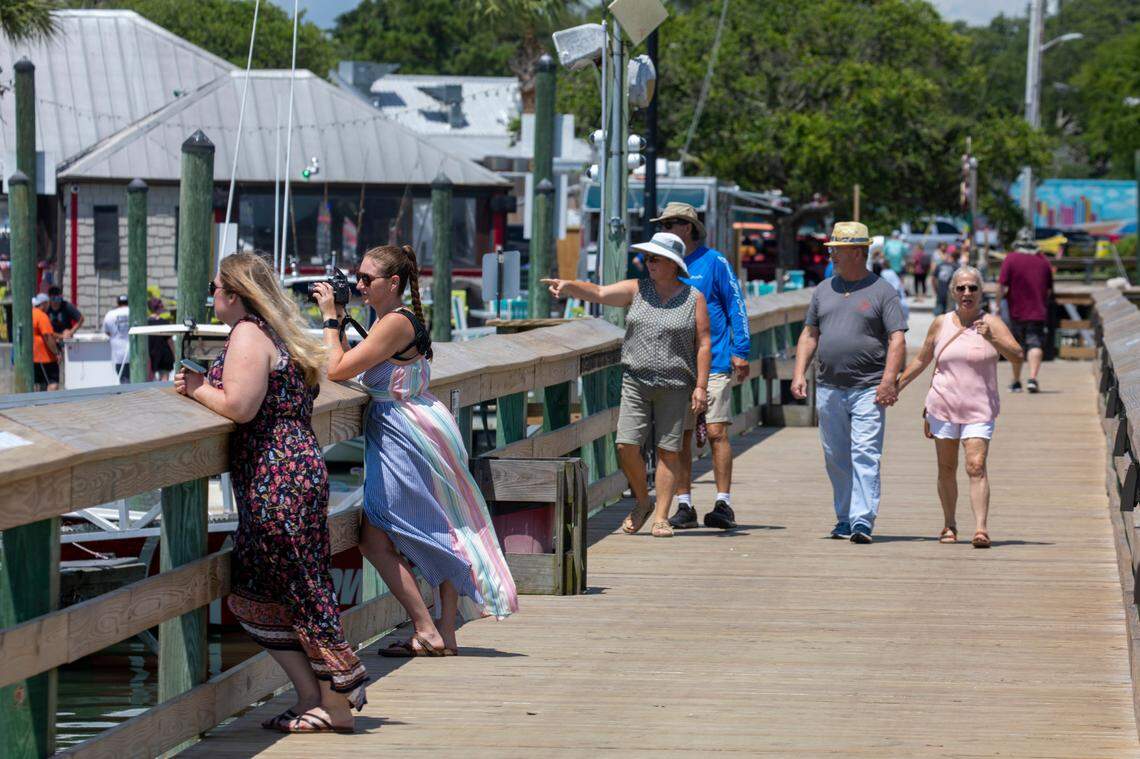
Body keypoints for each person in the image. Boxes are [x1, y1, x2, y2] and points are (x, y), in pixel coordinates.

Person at [175, 252, 368, 733]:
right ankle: (313, 695)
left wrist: (198, 387)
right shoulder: (275, 331)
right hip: (295, 470)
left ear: (234, 294)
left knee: (302, 588)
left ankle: (339, 699)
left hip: (275, 479)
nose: (212, 296)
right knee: (258, 592)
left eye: (215, 288)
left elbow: (239, 406)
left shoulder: (246, 335)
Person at [317, 244, 518, 658]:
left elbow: (337, 369)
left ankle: (427, 628)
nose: (358, 285)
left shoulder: (392, 324)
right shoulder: (391, 320)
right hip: (419, 427)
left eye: (366, 279)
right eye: (356, 278)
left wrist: (330, 319)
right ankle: (443, 629)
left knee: (376, 539)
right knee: (437, 525)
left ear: (393, 283)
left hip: (403, 433)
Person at [544, 232, 712, 539]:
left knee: (668, 451)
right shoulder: (637, 289)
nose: (648, 264)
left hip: (676, 384)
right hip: (636, 380)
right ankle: (642, 500)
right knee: (625, 445)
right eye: (647, 258)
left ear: (673, 264)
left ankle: (661, 516)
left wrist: (701, 386)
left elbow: (703, 343)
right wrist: (569, 286)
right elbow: (598, 292)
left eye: (655, 259)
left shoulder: (693, 299)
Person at [791, 222, 907, 544]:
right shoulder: (823, 289)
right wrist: (799, 373)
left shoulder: (882, 291)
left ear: (858, 252)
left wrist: (888, 381)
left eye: (836, 250)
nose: (831, 255)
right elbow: (809, 334)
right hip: (829, 387)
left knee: (865, 453)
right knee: (835, 455)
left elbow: (897, 339)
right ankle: (844, 517)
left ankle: (861, 520)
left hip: (869, 387)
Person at [896, 266, 1023, 548]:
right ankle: (949, 523)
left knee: (975, 465)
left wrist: (992, 337)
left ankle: (981, 529)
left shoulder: (993, 322)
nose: (967, 293)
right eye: (961, 288)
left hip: (980, 407)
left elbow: (1017, 355)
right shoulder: (941, 323)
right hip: (943, 404)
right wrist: (897, 385)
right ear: (953, 291)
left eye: (973, 288)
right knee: (946, 467)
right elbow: (922, 359)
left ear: (981, 292)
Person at [648, 203, 750, 531]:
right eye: (662, 223)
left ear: (689, 227)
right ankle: (685, 505)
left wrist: (741, 350)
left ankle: (723, 503)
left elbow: (736, 304)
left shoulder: (714, 262)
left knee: (717, 431)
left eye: (672, 223)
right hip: (676, 365)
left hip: (716, 359)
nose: (665, 228)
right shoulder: (661, 263)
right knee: (680, 437)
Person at [999, 228, 1053, 394]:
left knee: (1017, 347)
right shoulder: (1043, 261)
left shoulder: (1011, 259)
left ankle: (1016, 381)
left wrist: (997, 305)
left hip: (1016, 310)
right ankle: (1032, 378)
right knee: (1034, 343)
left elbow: (1002, 286)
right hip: (1037, 311)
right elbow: (1049, 290)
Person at [32, 294, 60, 391]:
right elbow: (48, 336)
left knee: (38, 384)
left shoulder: (30, 314)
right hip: (45, 358)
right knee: (53, 383)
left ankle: (38, 405)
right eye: (48, 303)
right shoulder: (42, 316)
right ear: (43, 304)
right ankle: (50, 405)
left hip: (33, 358)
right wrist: (56, 353)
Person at [102, 295, 131, 383]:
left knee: (123, 380)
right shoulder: (134, 312)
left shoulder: (110, 314)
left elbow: (107, 332)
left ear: (118, 303)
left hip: (118, 353)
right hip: (134, 353)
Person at [147, 297, 176, 381]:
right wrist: (175, 355)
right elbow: (170, 342)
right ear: (159, 307)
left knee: (149, 380)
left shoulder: (146, 323)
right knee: (164, 380)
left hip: (150, 355)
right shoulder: (164, 323)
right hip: (164, 354)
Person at [873, 258, 909, 325]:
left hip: (890, 295)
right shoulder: (892, 271)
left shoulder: (883, 273)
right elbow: (898, 283)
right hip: (898, 294)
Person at [932, 245, 960, 316]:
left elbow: (933, 279)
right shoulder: (956, 266)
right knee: (950, 314)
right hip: (950, 293)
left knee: (939, 314)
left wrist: (935, 289)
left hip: (940, 291)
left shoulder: (940, 265)